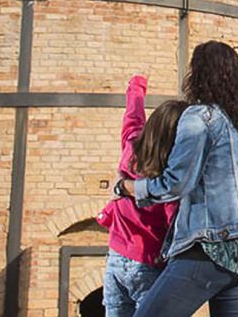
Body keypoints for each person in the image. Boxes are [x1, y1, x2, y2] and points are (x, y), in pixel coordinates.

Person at [117, 41, 238, 317]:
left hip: (212, 247)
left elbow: (175, 184)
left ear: (197, 75)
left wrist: (128, 188)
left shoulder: (199, 117)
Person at [97, 75, 185, 317]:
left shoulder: (132, 146)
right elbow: (173, 228)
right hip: (148, 263)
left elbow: (132, 117)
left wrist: (137, 86)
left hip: (115, 258)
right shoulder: (168, 178)